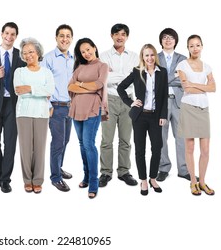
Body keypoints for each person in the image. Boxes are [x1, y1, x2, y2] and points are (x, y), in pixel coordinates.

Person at [117, 44, 168, 196]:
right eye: (146, 55)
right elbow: (121, 87)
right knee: (140, 150)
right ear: (142, 57)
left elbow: (164, 96)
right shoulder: (137, 71)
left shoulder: (162, 72)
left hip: (155, 116)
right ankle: (143, 180)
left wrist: (163, 115)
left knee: (157, 147)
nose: (150, 58)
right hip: (139, 116)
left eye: (152, 55)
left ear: (155, 56)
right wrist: (130, 102)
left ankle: (153, 178)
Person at [0, 22, 26, 193]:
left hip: (13, 104)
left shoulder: (21, 56)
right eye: (7, 33)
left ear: (16, 37)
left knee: (10, 142)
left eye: (13, 34)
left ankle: (5, 179)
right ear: (1, 34)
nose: (9, 37)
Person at [99, 23, 139, 187]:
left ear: (127, 37)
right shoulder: (103, 56)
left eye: (123, 34)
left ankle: (124, 172)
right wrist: (125, 76)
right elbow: (103, 79)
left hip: (129, 100)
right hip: (109, 100)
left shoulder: (135, 57)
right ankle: (105, 173)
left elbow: (135, 77)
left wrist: (113, 75)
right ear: (111, 36)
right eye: (116, 34)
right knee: (106, 140)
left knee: (125, 139)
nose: (120, 37)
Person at [68, 38, 108, 199]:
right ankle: (85, 176)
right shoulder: (79, 67)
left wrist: (81, 85)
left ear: (94, 47)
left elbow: (99, 84)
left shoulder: (102, 66)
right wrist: (87, 86)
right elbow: (70, 86)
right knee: (82, 144)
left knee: (89, 144)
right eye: (82, 52)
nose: (86, 53)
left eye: (88, 49)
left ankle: (93, 181)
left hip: (93, 109)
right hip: (76, 109)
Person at [176, 35, 216, 196]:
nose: (195, 48)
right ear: (188, 48)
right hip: (188, 107)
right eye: (191, 46)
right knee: (190, 147)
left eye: (197, 45)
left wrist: (194, 84)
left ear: (202, 46)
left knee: (205, 150)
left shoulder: (207, 67)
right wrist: (202, 86)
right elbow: (187, 89)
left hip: (203, 109)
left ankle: (202, 181)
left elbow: (213, 88)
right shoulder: (182, 65)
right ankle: (193, 182)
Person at [14, 37, 55, 194]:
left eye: (31, 51)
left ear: (38, 52)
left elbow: (50, 90)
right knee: (25, 148)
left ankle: (37, 180)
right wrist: (39, 90)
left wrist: (30, 88)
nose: (28, 55)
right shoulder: (20, 71)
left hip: (41, 114)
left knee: (39, 148)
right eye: (25, 53)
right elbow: (19, 91)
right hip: (23, 113)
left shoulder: (47, 72)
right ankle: (27, 180)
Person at [156, 28, 196, 182]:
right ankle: (163, 168)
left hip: (179, 102)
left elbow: (186, 80)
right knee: (160, 137)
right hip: (160, 102)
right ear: (161, 41)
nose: (168, 40)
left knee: (182, 137)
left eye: (171, 37)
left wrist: (165, 79)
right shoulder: (155, 57)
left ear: (175, 41)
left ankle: (184, 170)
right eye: (165, 37)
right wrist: (174, 76)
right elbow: (154, 80)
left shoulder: (183, 59)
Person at [40, 24, 74, 192]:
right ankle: (55, 177)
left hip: (71, 106)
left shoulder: (75, 59)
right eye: (61, 35)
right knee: (58, 143)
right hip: (56, 107)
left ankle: (58, 167)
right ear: (56, 38)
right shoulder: (48, 58)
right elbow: (43, 84)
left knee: (66, 140)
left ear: (71, 39)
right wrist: (48, 106)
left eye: (68, 36)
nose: (65, 39)